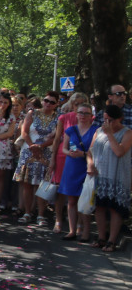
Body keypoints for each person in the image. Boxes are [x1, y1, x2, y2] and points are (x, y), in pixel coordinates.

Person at [86, 104, 132, 253]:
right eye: (105, 119)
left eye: (110, 120)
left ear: (119, 119)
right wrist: (90, 164)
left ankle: (112, 241)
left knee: (114, 209)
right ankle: (101, 238)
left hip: (117, 176)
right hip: (100, 175)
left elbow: (119, 152)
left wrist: (110, 134)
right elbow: (90, 151)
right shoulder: (99, 131)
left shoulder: (127, 133)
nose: (107, 123)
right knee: (99, 207)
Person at [14, 90, 60, 226]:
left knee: (42, 184)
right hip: (29, 151)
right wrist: (32, 146)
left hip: (45, 152)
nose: (48, 104)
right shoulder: (32, 113)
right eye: (46, 100)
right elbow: (24, 131)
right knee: (27, 183)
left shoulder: (58, 118)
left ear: (56, 104)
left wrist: (41, 146)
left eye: (52, 102)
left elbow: (57, 137)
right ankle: (27, 212)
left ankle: (41, 215)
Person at [59, 103, 97, 242]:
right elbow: (63, 148)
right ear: (76, 114)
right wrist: (69, 152)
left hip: (86, 166)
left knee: (85, 200)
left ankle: (86, 231)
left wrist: (83, 153)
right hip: (72, 166)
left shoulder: (95, 130)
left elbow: (94, 151)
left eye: (86, 113)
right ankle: (72, 230)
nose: (83, 116)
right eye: (80, 113)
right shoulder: (71, 130)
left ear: (91, 116)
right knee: (71, 200)